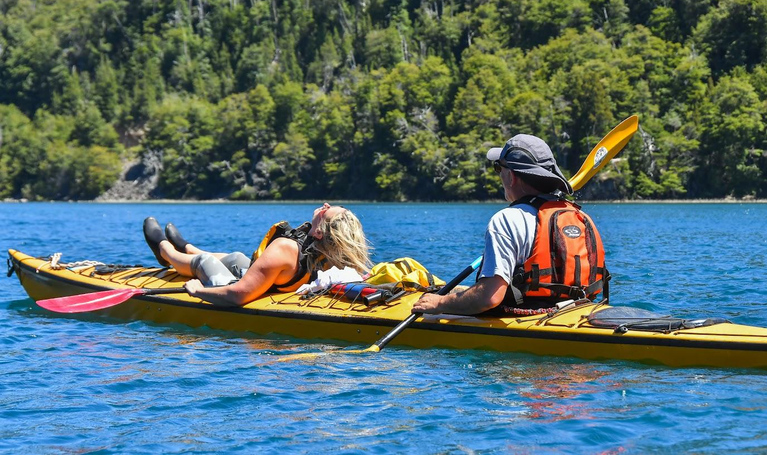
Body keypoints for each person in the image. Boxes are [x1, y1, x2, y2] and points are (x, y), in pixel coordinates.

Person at [412, 134, 609, 316]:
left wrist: (440, 303)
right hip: (579, 311)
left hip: (526, 317)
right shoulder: (580, 216)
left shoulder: (507, 219)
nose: (499, 175)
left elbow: (489, 297)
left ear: (512, 176)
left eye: (499, 168)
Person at [142, 203, 372, 307]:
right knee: (236, 258)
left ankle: (164, 250)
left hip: (237, 287)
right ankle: (187, 246)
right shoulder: (338, 255)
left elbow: (238, 296)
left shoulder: (285, 248)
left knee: (205, 262)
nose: (325, 205)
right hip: (273, 280)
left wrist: (197, 291)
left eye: (326, 212)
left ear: (320, 232)